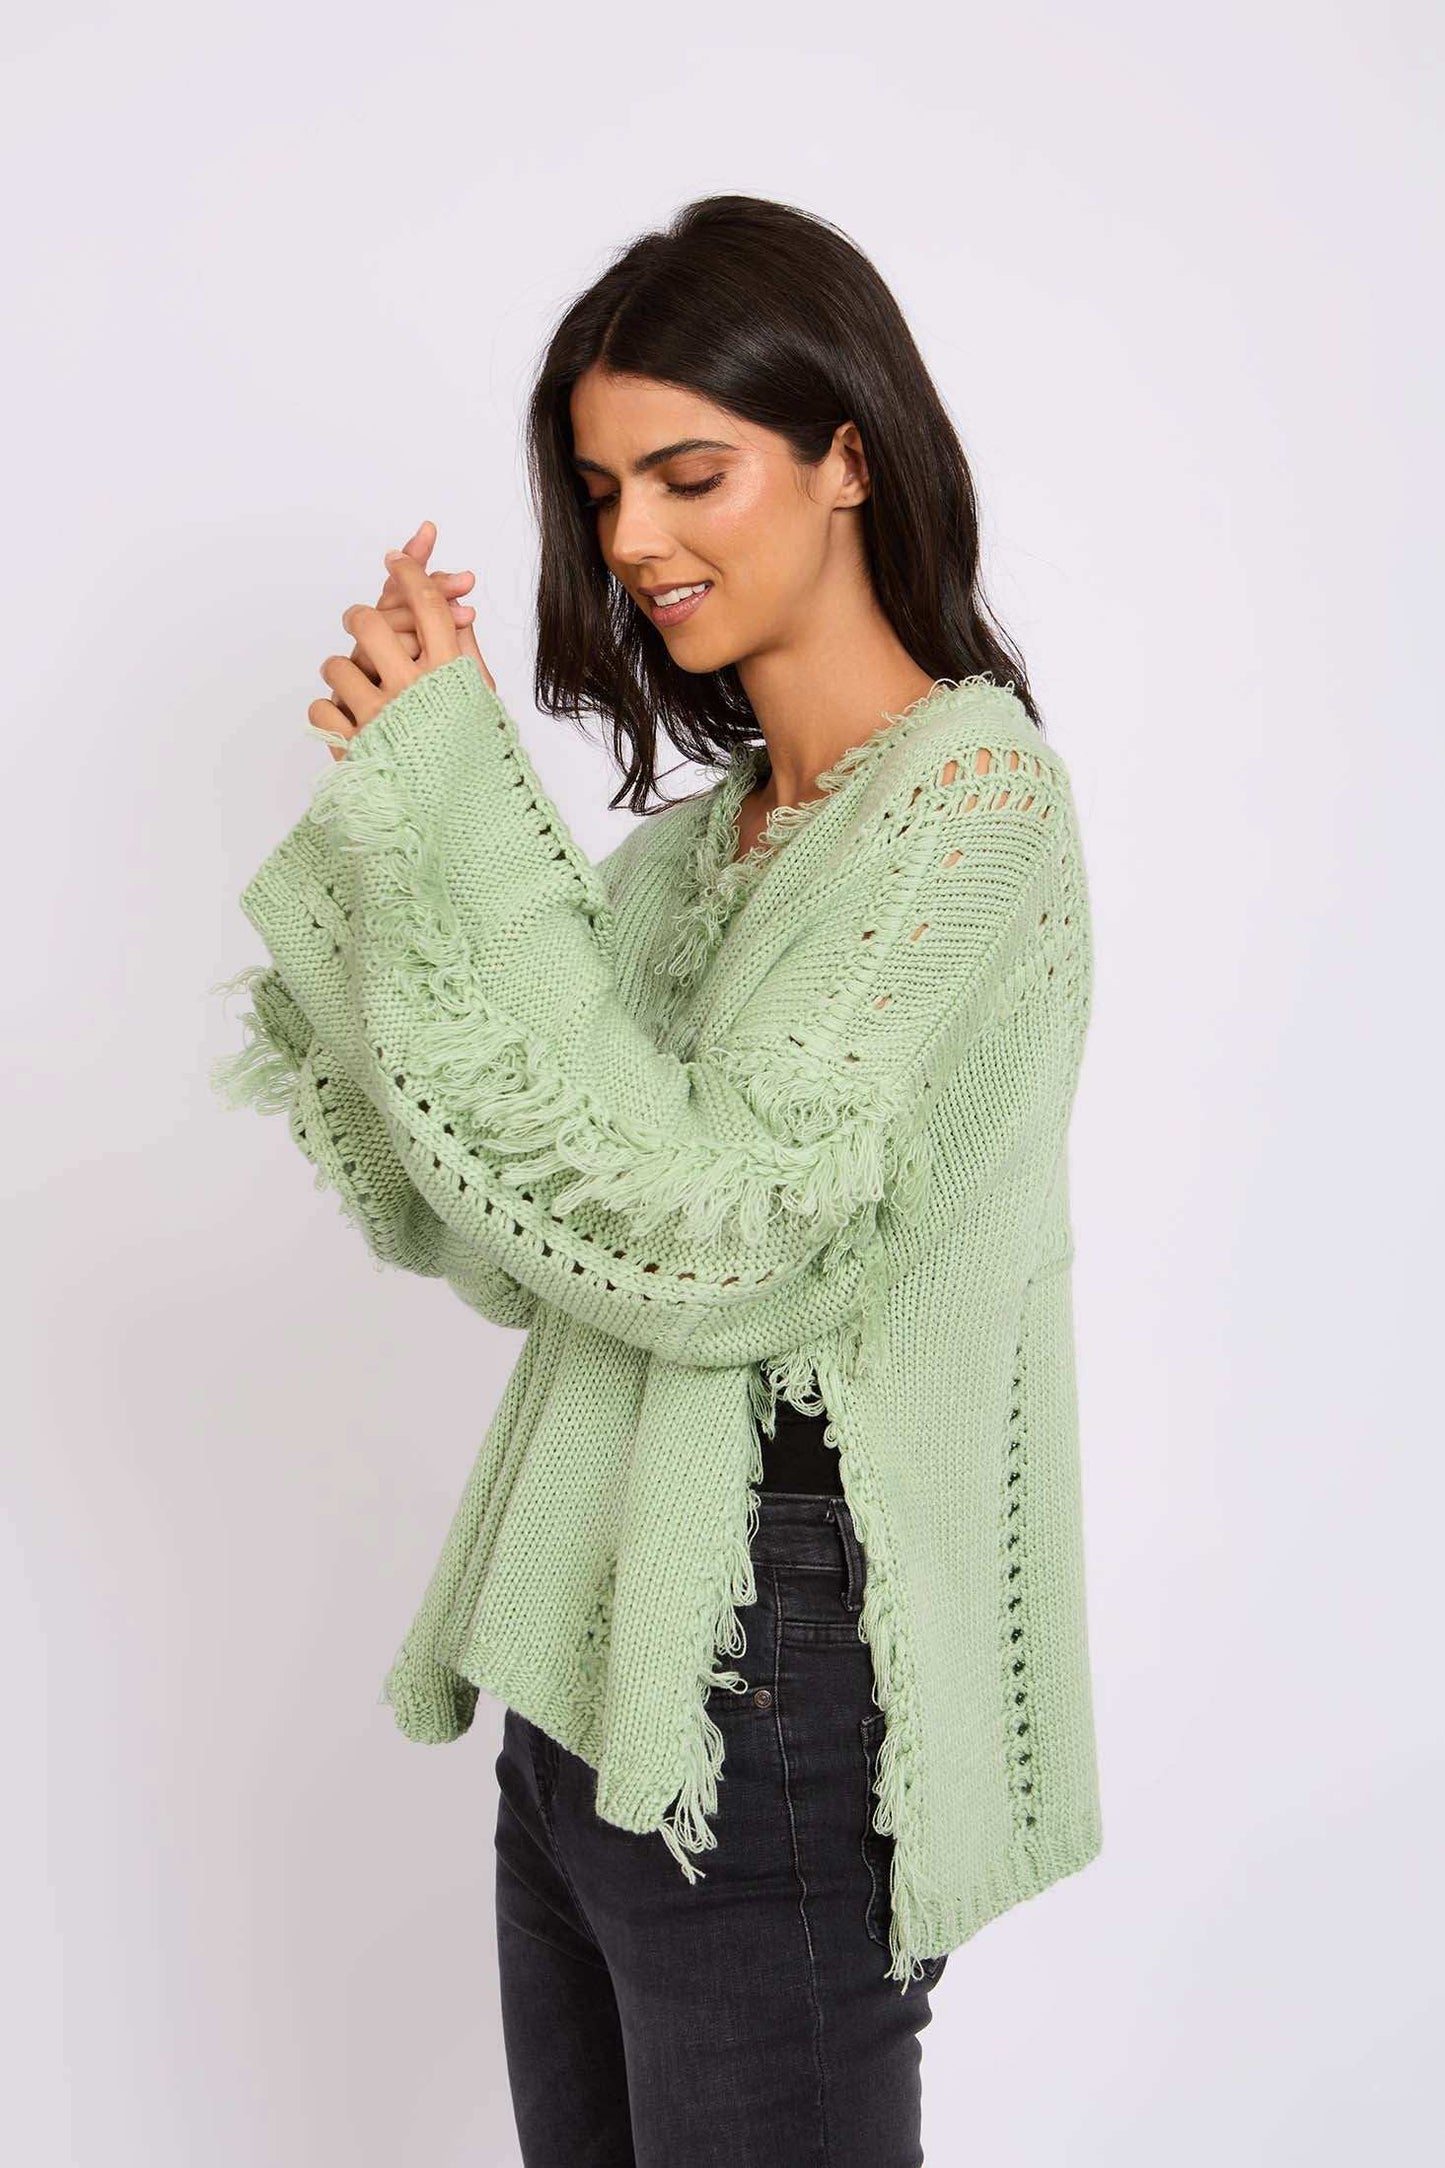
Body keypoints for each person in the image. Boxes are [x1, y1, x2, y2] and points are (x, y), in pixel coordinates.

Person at [212, 192, 1103, 2167]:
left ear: (848, 456)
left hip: (769, 1669)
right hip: (589, 1651)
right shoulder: (705, 854)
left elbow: (713, 1234)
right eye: (604, 488)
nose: (629, 540)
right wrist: (397, 844)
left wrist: (461, 813)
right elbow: (497, 1229)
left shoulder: (971, 804)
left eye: (690, 474)